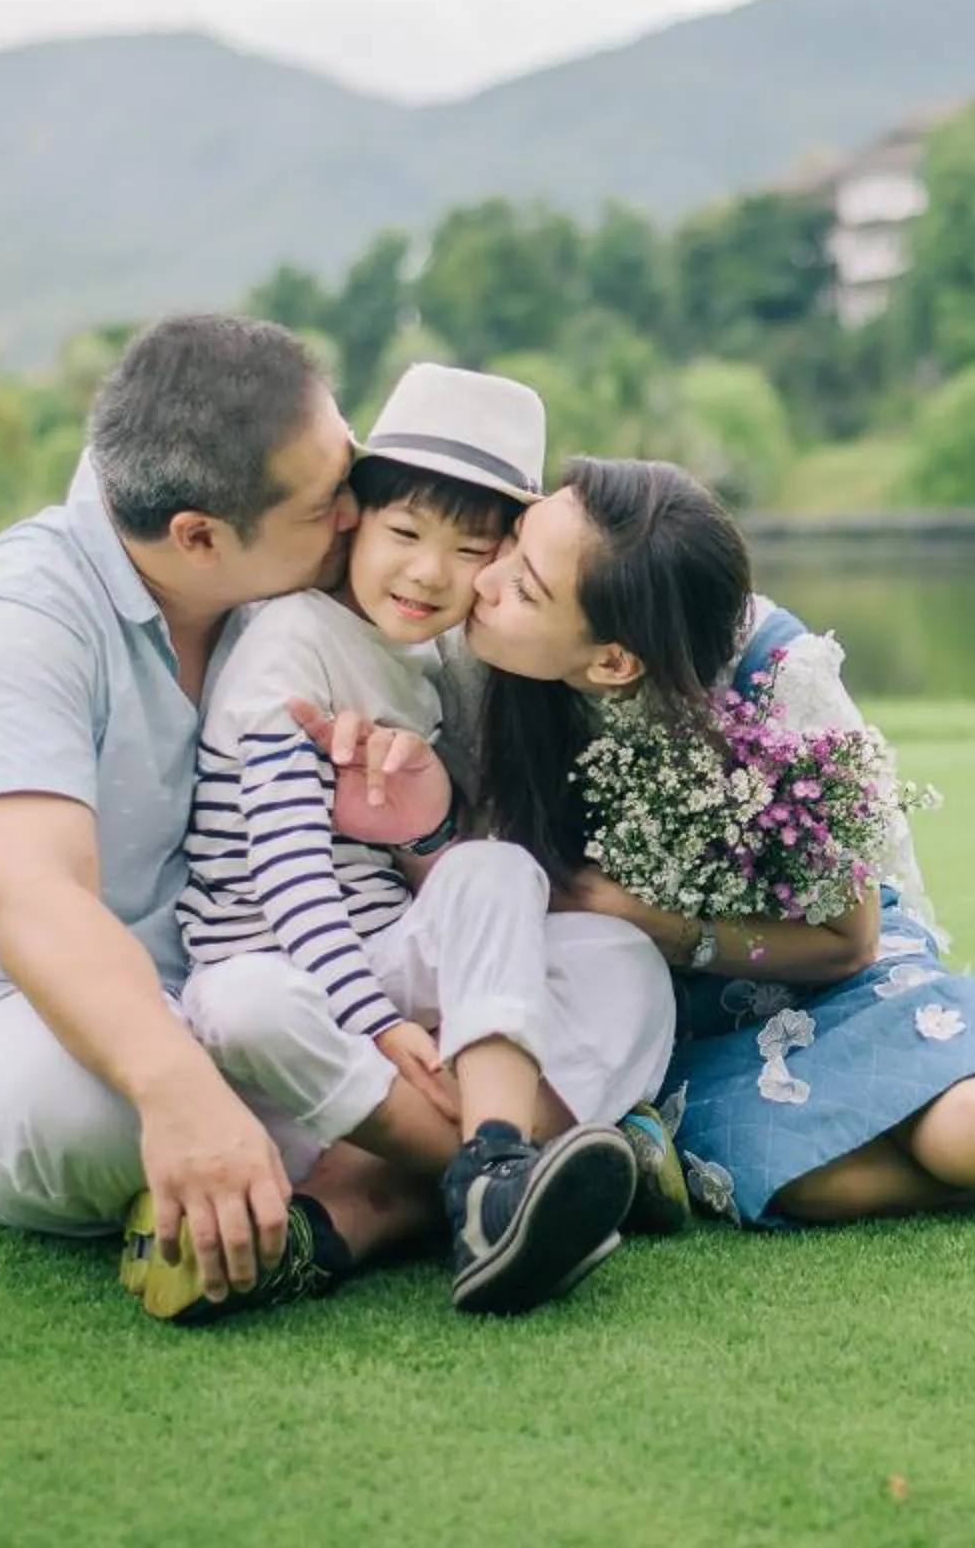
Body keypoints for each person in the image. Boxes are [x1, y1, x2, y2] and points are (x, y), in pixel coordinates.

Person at [451, 455, 975, 1228]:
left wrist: (655, 919)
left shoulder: (772, 682)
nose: (484, 578)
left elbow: (850, 940)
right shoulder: (492, 655)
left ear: (615, 661)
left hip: (829, 975)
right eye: (514, 543)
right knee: (803, 1185)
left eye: (524, 583)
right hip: (667, 1016)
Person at [0, 316, 478, 1326]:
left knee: (550, 948)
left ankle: (355, 1186)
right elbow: (32, 895)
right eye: (327, 504)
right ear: (198, 537)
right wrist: (177, 1087)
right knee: (82, 1110)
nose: (356, 517)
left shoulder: (286, 586)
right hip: (60, 1035)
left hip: (286, 993)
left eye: (348, 474)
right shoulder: (22, 619)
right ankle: (475, 1169)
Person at [164, 363, 672, 1315]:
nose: (431, 572)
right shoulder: (292, 645)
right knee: (243, 1003)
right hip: (289, 972)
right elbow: (286, 879)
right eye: (404, 533)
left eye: (471, 548)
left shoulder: (434, 656)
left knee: (609, 949)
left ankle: (491, 1163)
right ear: (355, 516)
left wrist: (434, 829)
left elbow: (466, 893)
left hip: (387, 965)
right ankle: (509, 1175)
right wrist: (381, 1022)